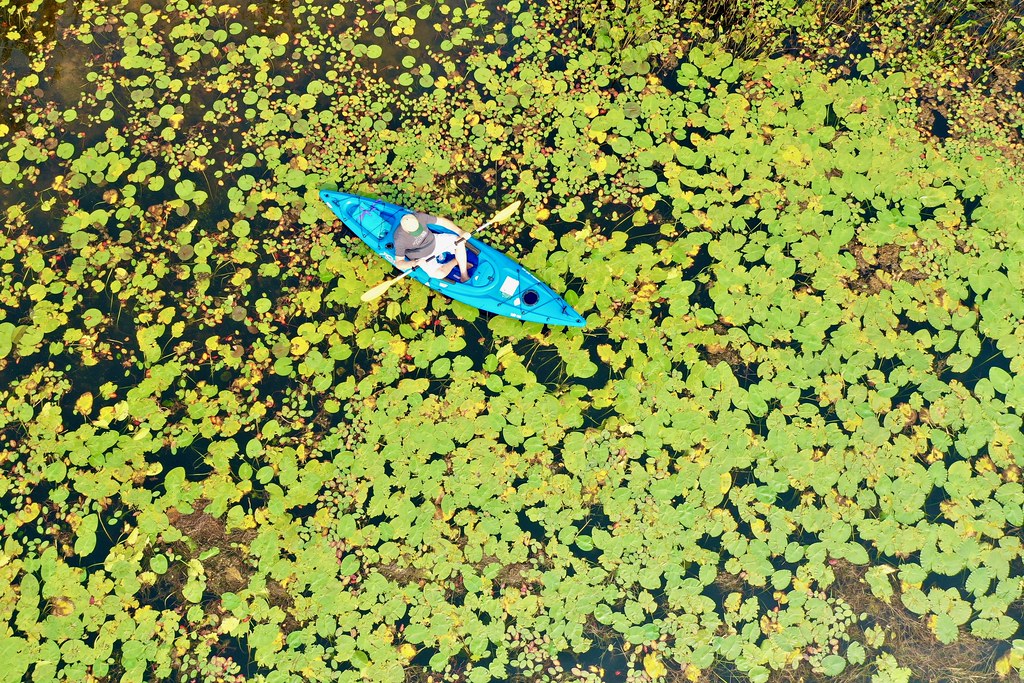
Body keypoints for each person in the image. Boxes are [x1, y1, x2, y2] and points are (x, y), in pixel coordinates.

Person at [393, 211, 472, 282]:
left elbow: (442, 221)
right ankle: (455, 261)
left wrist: (460, 232)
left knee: (460, 241)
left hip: (434, 241)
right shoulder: (399, 239)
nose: (418, 232)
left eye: (418, 228)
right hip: (422, 256)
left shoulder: (419, 217)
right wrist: (414, 263)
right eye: (415, 232)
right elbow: (399, 263)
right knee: (440, 274)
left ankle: (464, 275)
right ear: (406, 230)